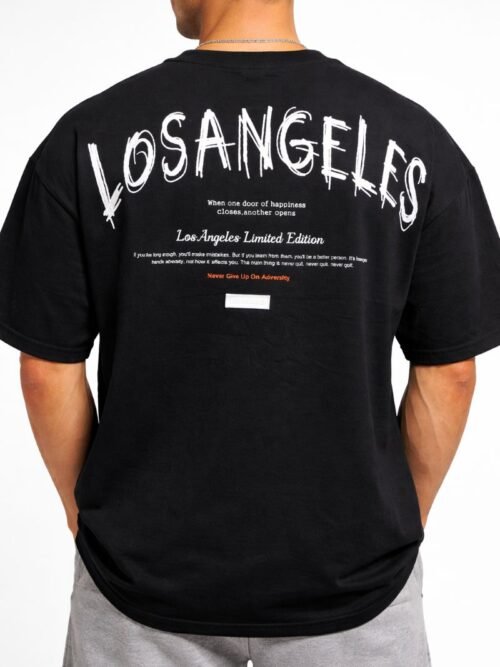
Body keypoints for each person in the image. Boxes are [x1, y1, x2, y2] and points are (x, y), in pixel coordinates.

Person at [0, 0, 499, 664]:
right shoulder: (416, 140)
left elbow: (45, 368)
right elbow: (451, 370)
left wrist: (87, 515)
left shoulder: (85, 137)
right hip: (354, 585)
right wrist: (392, 525)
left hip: (139, 580)